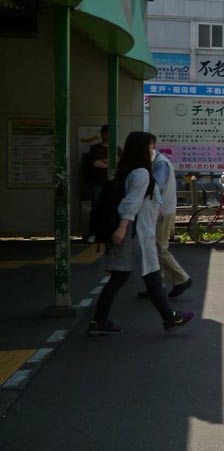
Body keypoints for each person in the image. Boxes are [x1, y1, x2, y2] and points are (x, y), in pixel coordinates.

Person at [88, 131, 195, 335]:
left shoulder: (127, 170)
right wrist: (121, 228)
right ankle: (169, 318)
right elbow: (131, 203)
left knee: (124, 277)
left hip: (132, 232)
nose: (152, 149)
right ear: (142, 148)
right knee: (151, 273)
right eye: (150, 146)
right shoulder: (141, 173)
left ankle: (99, 321)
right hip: (135, 233)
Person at [138, 135, 192, 300]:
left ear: (151, 145)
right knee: (154, 248)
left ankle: (181, 279)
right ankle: (156, 285)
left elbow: (155, 187)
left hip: (161, 212)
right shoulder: (159, 161)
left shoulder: (160, 163)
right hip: (163, 210)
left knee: (159, 248)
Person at [81, 125, 111, 243]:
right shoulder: (95, 148)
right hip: (97, 184)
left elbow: (119, 164)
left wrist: (104, 163)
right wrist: (110, 164)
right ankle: (93, 233)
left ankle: (107, 233)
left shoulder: (117, 149)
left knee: (111, 209)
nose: (109, 135)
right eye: (107, 133)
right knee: (96, 209)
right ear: (102, 134)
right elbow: (95, 163)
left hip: (112, 185)